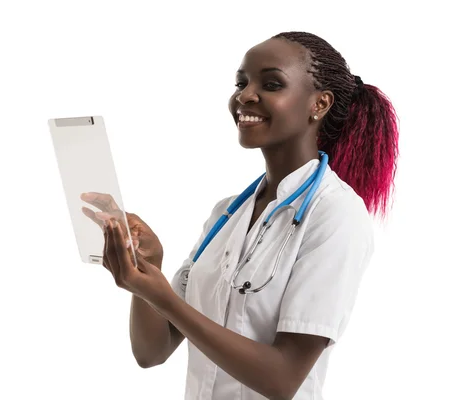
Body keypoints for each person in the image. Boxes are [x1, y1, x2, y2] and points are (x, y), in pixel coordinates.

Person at [81, 31, 399, 400]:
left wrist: (166, 299)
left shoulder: (335, 214)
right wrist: (147, 269)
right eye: (241, 82)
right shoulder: (227, 214)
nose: (245, 95)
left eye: (272, 84)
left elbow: (282, 379)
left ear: (320, 104)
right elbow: (151, 352)